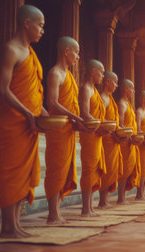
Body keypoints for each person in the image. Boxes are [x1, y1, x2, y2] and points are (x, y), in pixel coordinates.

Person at [0, 4, 46, 238]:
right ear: (27, 23)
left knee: (23, 175)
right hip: (13, 123)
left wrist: (45, 114)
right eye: (40, 25)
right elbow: (3, 90)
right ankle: (6, 227)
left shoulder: (31, 55)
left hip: (30, 124)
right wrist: (27, 113)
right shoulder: (11, 50)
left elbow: (34, 94)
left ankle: (15, 224)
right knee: (10, 172)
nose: (42, 31)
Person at [45, 36, 86, 224]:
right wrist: (75, 117)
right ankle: (53, 214)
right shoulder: (55, 73)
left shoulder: (69, 76)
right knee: (56, 169)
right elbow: (52, 102)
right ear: (66, 52)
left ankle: (57, 212)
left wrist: (75, 120)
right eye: (76, 52)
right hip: (58, 129)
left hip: (68, 129)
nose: (78, 57)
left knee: (64, 170)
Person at [78, 59, 107, 216]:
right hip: (89, 133)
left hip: (96, 133)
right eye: (101, 72)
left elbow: (97, 116)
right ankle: (85, 208)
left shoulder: (95, 91)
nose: (102, 75)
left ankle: (90, 206)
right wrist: (98, 126)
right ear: (92, 72)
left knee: (94, 169)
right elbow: (84, 113)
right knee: (89, 169)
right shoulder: (86, 89)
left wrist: (102, 126)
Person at [98, 71, 123, 208]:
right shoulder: (103, 98)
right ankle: (102, 201)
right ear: (107, 82)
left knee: (112, 169)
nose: (116, 85)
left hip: (113, 138)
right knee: (106, 169)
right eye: (115, 82)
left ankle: (105, 200)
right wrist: (113, 129)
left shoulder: (111, 100)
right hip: (106, 138)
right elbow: (101, 119)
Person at [116, 79, 141, 204]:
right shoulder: (122, 103)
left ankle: (123, 197)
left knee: (127, 170)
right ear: (126, 89)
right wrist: (129, 136)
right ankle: (120, 197)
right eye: (132, 89)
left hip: (130, 141)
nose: (133, 91)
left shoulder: (129, 105)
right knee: (123, 170)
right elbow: (120, 123)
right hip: (125, 141)